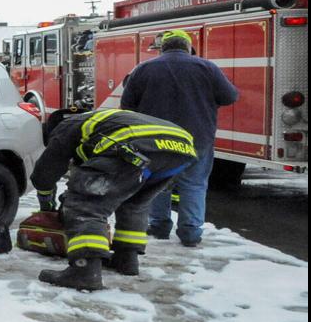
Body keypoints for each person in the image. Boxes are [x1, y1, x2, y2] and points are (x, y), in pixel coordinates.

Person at [28, 109, 199, 291]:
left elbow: (46, 171)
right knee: (134, 203)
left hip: (136, 145)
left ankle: (84, 270)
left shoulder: (65, 128)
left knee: (85, 206)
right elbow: (91, 174)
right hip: (181, 149)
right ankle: (126, 259)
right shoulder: (99, 126)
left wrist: (47, 201)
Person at [120, 28, 239, 247]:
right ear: (188, 47)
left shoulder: (143, 69)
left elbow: (127, 105)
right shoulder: (207, 68)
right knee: (194, 184)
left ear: (162, 48)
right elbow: (230, 96)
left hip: (155, 140)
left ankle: (159, 225)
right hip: (197, 139)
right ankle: (190, 233)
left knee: (158, 182)